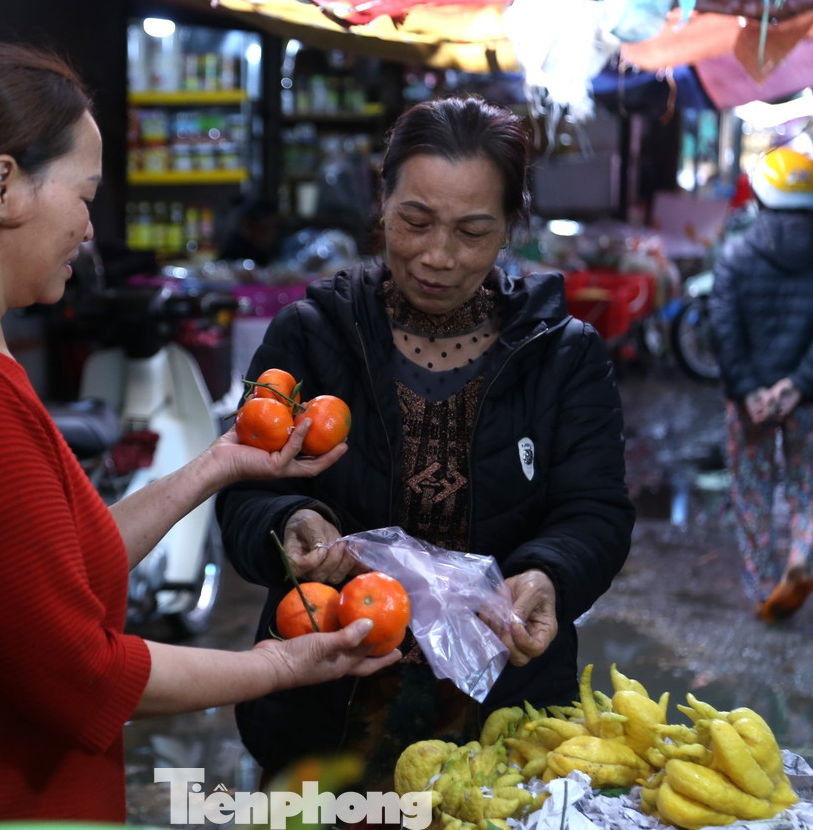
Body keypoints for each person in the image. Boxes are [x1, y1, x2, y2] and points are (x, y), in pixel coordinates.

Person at [0, 40, 399, 830]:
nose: (89, 226)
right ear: (3, 185)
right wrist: (282, 663)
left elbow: (55, 573)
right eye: (84, 195)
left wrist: (216, 464)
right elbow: (79, 674)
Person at [216, 96, 635, 787]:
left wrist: (549, 574)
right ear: (381, 203)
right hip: (325, 704)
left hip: (503, 708)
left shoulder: (563, 356)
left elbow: (596, 510)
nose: (437, 255)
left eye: (472, 230)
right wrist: (289, 521)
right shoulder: (312, 334)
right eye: (415, 221)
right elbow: (245, 488)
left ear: (509, 227)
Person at [709, 147, 813, 623]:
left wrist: (751, 389)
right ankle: (798, 560)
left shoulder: (735, 253)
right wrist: (796, 386)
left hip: (747, 400)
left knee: (752, 490)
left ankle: (761, 588)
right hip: (809, 398)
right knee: (806, 486)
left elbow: (723, 328)